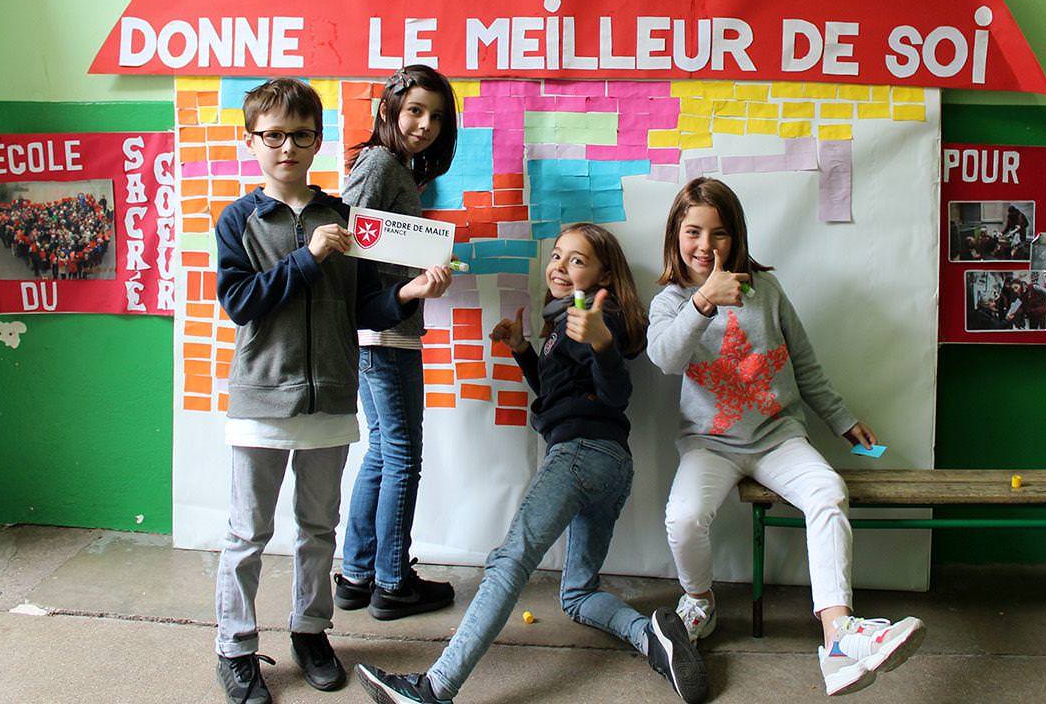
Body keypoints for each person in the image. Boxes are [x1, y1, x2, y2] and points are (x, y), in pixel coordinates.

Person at [355, 223, 708, 704]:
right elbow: (557, 393)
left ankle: (433, 689)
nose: (560, 267)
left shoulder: (598, 317)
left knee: (508, 562)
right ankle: (652, 636)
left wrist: (602, 343)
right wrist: (523, 350)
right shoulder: (563, 323)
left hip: (580, 456)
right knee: (578, 594)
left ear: (605, 272)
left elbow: (615, 394)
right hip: (610, 466)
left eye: (577, 260)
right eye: (557, 256)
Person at [212, 78, 452, 704]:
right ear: (252, 141)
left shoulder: (341, 217)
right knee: (246, 535)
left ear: (317, 141)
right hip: (263, 401)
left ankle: (311, 631)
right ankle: (235, 648)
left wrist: (408, 293)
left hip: (330, 402)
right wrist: (307, 259)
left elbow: (360, 307)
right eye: (273, 136)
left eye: (300, 136)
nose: (286, 147)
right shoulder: (240, 218)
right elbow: (241, 303)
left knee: (318, 530)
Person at [647, 178, 925, 697]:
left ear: (737, 238)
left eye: (719, 233)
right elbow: (665, 358)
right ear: (675, 236)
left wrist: (842, 419)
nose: (705, 246)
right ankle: (700, 604)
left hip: (777, 437)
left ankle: (839, 638)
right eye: (693, 232)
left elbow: (804, 363)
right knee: (683, 518)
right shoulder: (670, 302)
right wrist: (703, 302)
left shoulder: (766, 290)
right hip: (710, 443)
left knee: (827, 492)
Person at [337, 66, 461, 621]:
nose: (425, 124)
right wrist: (400, 291)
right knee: (403, 456)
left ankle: (358, 575)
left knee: (385, 452)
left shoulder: (399, 171)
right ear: (389, 108)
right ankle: (392, 582)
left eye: (436, 116)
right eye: (415, 110)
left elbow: (376, 243)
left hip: (386, 326)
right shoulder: (379, 164)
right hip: (383, 330)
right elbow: (346, 236)